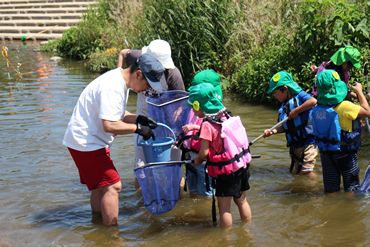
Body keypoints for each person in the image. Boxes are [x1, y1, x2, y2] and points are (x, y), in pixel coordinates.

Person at [63, 54, 164, 225]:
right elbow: (109, 124)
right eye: (148, 84)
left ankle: (97, 224)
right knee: (113, 186)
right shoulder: (113, 87)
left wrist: (139, 119)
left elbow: (116, 113)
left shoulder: (119, 80)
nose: (147, 89)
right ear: (138, 74)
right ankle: (112, 235)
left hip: (82, 140)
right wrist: (138, 129)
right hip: (87, 142)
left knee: (99, 187)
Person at [117, 39, 185, 190]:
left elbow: (180, 107)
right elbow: (123, 53)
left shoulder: (173, 74)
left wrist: (176, 132)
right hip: (142, 120)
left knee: (175, 167)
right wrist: (120, 82)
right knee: (141, 168)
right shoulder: (139, 59)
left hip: (168, 125)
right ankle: (140, 203)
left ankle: (177, 199)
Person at [187, 83, 252, 227]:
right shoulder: (226, 115)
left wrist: (197, 160)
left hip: (226, 172)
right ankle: (247, 232)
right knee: (242, 201)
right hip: (240, 165)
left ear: (198, 106)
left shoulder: (206, 125)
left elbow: (203, 153)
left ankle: (225, 239)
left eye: (192, 106)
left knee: (224, 209)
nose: (192, 110)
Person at [312, 69, 370, 195]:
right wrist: (360, 92)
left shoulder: (317, 108)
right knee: (351, 187)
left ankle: (330, 209)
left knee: (331, 188)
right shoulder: (345, 106)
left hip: (326, 153)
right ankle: (349, 210)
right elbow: (367, 111)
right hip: (345, 153)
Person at [263, 71, 318, 178]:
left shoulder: (300, 96)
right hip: (294, 145)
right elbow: (285, 127)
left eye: (275, 92)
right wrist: (272, 131)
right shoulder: (283, 106)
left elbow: (313, 101)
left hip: (308, 142)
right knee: (297, 173)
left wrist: (297, 111)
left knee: (307, 171)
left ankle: (317, 192)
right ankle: (302, 193)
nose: (274, 96)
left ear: (285, 88)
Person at [180, 70, 223, 197]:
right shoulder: (191, 108)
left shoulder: (215, 111)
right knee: (192, 191)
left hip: (203, 158)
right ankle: (194, 213)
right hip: (189, 155)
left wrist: (195, 126)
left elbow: (215, 130)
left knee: (206, 193)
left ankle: (204, 215)